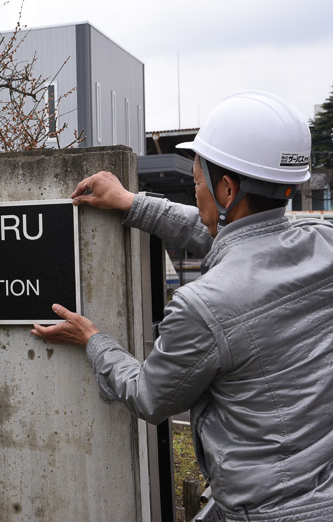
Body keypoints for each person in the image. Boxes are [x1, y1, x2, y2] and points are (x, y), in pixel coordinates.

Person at [31, 90, 333, 521]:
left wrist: (94, 341)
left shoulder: (204, 305)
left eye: (196, 183)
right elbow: (234, 237)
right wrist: (133, 203)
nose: (196, 195)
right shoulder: (322, 243)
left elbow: (150, 396)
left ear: (226, 189)